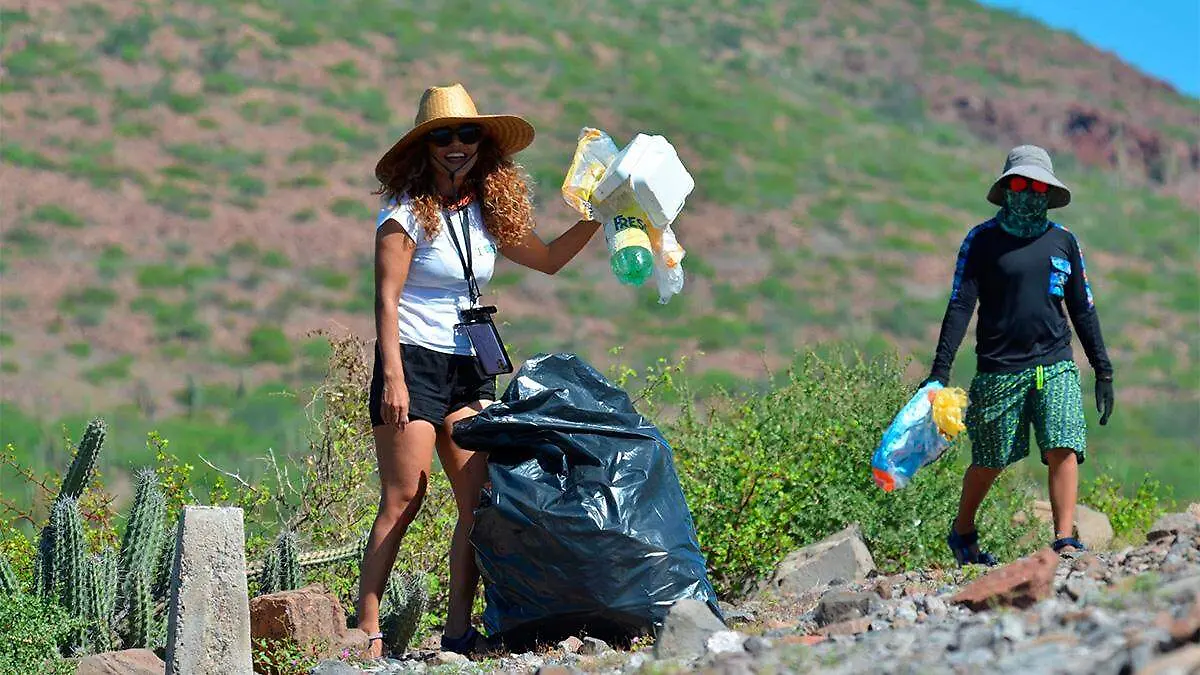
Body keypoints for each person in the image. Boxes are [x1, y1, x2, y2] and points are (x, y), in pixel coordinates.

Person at [358, 83, 602, 657]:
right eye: (442, 135)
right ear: (424, 147)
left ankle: (458, 631)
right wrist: (393, 377)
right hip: (413, 360)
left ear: (482, 143)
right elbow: (386, 300)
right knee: (405, 497)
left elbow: (548, 260)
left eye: (467, 133)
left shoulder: (488, 211)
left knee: (480, 501)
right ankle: (366, 628)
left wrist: (601, 216)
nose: (456, 144)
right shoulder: (403, 214)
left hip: (470, 364)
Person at [923, 145, 1115, 566]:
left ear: (1049, 192)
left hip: (1055, 363)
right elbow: (960, 305)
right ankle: (963, 531)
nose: (1028, 192)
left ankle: (1064, 540)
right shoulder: (982, 241)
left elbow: (1082, 307)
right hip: (999, 369)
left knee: (1063, 444)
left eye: (1037, 186)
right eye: (1020, 183)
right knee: (989, 460)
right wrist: (939, 372)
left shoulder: (1064, 242)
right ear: (1006, 187)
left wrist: (1103, 370)